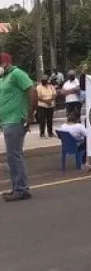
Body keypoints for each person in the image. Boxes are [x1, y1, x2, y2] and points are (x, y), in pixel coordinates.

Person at [0, 52, 36, 201]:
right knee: (12, 156)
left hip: (15, 120)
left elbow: (31, 90)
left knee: (14, 155)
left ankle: (21, 189)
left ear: (5, 63)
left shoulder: (16, 74)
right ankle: (18, 187)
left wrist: (29, 114)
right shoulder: (4, 78)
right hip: (7, 121)